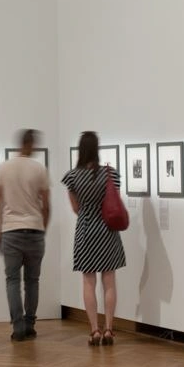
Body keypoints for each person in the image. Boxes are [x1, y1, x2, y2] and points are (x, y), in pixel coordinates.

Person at [60, 131, 126, 346]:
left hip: (86, 231)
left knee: (89, 281)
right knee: (109, 281)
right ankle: (109, 329)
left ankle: (94, 330)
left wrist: (88, 213)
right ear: (97, 149)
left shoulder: (72, 176)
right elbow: (114, 201)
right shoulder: (111, 174)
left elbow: (76, 208)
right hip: (108, 231)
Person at [0, 129, 50, 342]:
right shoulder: (39, 169)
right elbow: (47, 205)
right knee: (32, 281)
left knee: (12, 280)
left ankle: (18, 328)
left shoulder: (4, 168)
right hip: (35, 230)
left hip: (11, 230)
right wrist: (43, 227)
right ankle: (30, 324)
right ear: (32, 144)